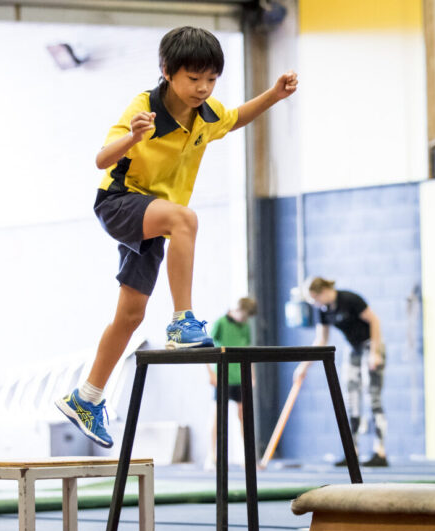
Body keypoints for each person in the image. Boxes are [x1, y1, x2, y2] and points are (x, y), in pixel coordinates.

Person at [57, 27, 298, 448]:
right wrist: (133, 136)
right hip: (120, 201)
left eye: (211, 79)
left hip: (154, 217)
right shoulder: (145, 105)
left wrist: (273, 95)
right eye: (193, 78)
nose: (202, 88)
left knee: (130, 315)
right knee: (185, 219)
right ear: (167, 71)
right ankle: (182, 320)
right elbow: (101, 158)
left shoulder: (206, 113)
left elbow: (235, 117)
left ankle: (87, 396)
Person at [293, 277, 388, 467]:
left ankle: (380, 452)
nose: (315, 303)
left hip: (370, 346)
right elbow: (321, 340)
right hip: (353, 349)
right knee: (351, 399)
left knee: (373, 398)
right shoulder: (323, 310)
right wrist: (303, 366)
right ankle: (352, 451)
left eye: (315, 298)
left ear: (325, 291)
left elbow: (375, 321)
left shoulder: (350, 299)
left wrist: (375, 353)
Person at [204, 297, 257, 469]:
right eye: (244, 315)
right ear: (237, 309)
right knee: (218, 415)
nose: (245, 319)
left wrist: (252, 374)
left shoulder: (246, 326)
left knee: (244, 416)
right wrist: (210, 372)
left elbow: (248, 351)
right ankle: (212, 455)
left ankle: (247, 457)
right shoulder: (220, 323)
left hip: (240, 376)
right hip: (222, 376)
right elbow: (207, 348)